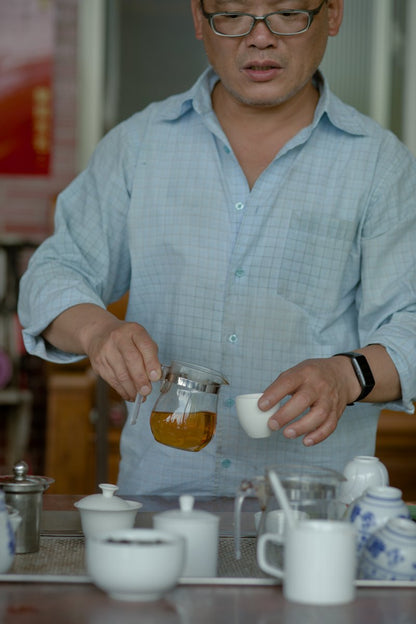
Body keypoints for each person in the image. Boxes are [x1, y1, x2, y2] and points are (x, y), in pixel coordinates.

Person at [18, 0, 416, 496]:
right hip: (160, 502)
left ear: (332, 15)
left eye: (288, 13)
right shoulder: (139, 145)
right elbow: (54, 271)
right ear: (198, 20)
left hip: (310, 511)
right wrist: (98, 332)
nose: (260, 37)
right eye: (232, 15)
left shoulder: (379, 165)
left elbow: (409, 321)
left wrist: (347, 374)